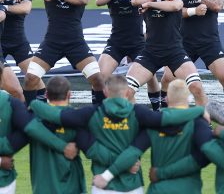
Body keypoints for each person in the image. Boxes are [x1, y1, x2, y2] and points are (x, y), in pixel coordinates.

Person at [29, 75, 209, 193]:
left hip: (103, 185)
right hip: (132, 185)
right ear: (129, 92)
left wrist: (36, 104)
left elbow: (61, 117)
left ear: (106, 92)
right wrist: (198, 111)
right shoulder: (140, 114)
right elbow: (165, 120)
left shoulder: (92, 113)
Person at [90, 79, 224, 194]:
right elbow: (210, 150)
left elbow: (132, 152)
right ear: (189, 99)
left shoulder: (154, 125)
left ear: (167, 99)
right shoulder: (197, 122)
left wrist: (107, 176)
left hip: (158, 190)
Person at [23, 0, 104, 106]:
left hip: (75, 43)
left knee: (98, 79)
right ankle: (30, 113)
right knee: (30, 78)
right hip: (52, 42)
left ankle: (98, 114)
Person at [125, 0, 207, 106]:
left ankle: (206, 124)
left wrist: (150, 4)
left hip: (174, 51)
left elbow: (176, 6)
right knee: (126, 91)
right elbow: (134, 0)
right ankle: (132, 124)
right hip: (150, 52)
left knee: (197, 88)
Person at [0, 63, 81, 194]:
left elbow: (29, 128)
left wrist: (36, 105)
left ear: (46, 94)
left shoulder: (20, 108)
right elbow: (28, 128)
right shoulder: (12, 104)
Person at [95, 0, 161, 110]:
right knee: (100, 77)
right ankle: (98, 112)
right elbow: (98, 1)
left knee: (151, 78)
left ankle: (157, 110)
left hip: (138, 43)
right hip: (116, 43)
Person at [29, 76, 86, 194]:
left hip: (42, 188)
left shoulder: (34, 116)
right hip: (72, 187)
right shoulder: (78, 119)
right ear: (69, 94)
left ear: (46, 95)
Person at [0, 0, 46, 102]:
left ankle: (45, 113)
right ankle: (23, 116)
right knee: (15, 89)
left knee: (35, 78)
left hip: (18, 43)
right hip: (0, 44)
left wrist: (4, 6)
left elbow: (25, 9)